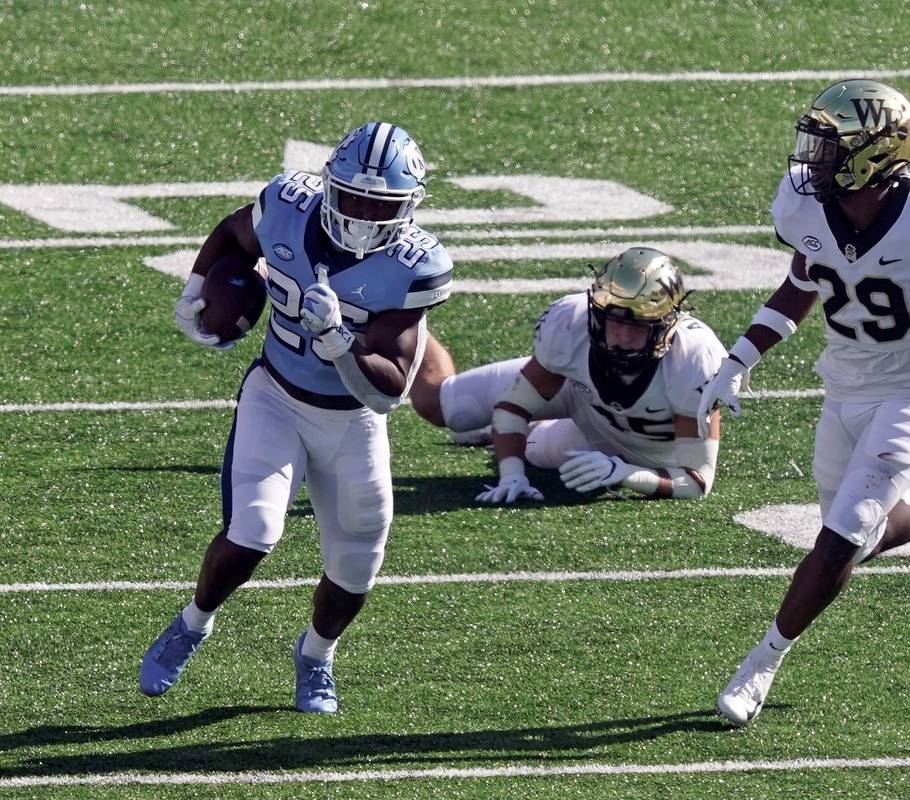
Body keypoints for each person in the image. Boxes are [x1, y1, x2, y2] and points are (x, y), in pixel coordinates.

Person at [700, 80, 910, 726]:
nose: (810, 162)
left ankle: (759, 663)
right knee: (858, 538)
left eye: (829, 148)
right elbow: (801, 285)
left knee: (839, 541)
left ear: (873, 157)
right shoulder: (806, 208)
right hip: (843, 388)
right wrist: (738, 360)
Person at [140, 122, 452, 713]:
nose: (361, 215)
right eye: (353, 197)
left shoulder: (416, 265)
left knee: (355, 565)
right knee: (254, 531)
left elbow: (387, 391)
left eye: (379, 205)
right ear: (329, 186)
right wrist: (198, 286)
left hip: (353, 420)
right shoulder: (288, 202)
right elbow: (235, 233)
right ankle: (193, 622)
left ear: (407, 208)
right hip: (276, 396)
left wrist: (338, 339)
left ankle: (315, 656)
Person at [408, 247, 725, 502]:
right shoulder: (571, 324)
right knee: (441, 404)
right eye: (614, 321)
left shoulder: (693, 360)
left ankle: (505, 433)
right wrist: (511, 476)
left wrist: (626, 473)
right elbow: (513, 405)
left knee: (534, 449)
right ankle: (401, 319)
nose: (622, 337)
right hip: (578, 393)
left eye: (637, 326)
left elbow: (696, 481)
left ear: (665, 326)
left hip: (639, 455)